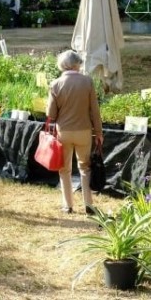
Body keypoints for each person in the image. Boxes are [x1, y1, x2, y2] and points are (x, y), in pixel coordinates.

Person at [46, 50, 103, 215]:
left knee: (64, 169)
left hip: (63, 131)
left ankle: (67, 205)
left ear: (62, 65)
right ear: (77, 63)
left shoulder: (55, 84)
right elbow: (95, 110)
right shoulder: (87, 82)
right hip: (84, 131)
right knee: (85, 168)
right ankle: (89, 205)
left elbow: (51, 114)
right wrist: (98, 132)